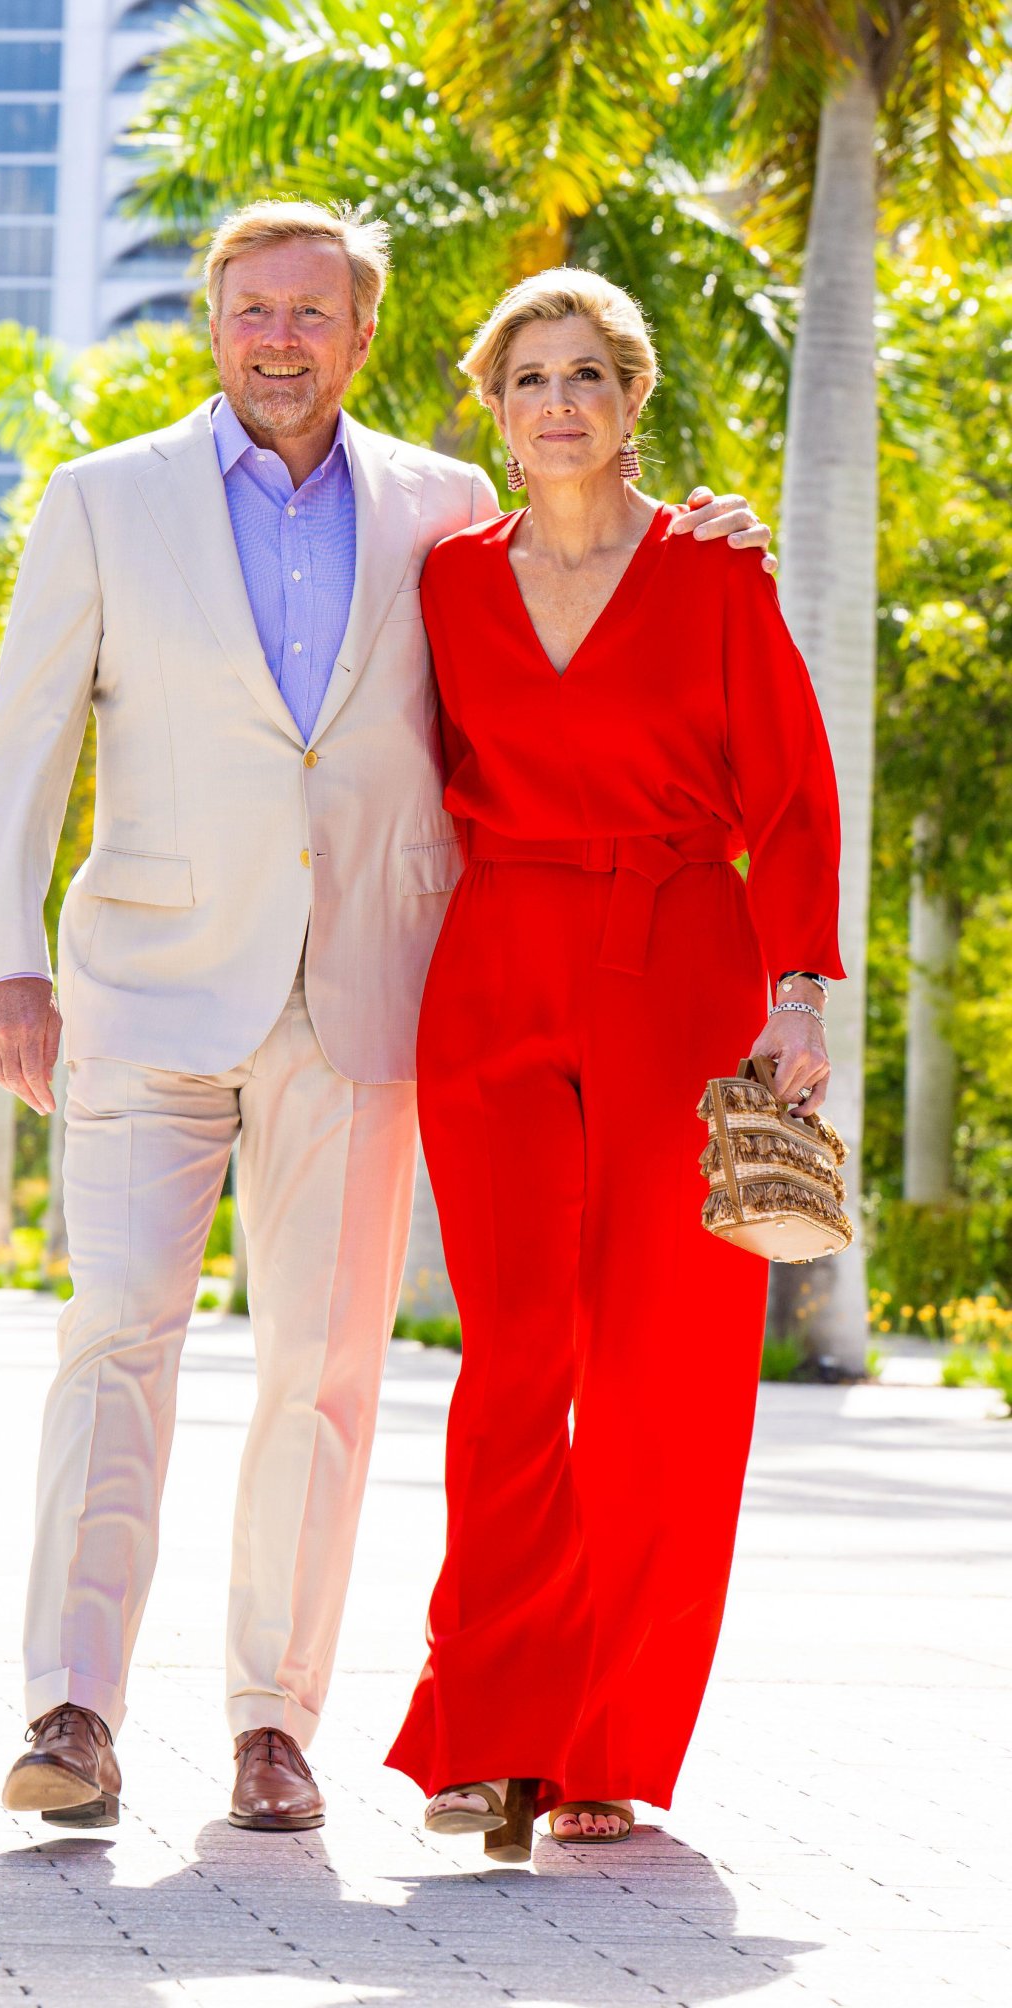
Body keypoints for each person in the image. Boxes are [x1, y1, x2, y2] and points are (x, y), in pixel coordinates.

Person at [0, 202, 775, 1836]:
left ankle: (275, 1724)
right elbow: (27, 734)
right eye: (252, 310)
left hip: (369, 991)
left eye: (311, 313)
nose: (280, 340)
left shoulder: (443, 505)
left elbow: (571, 589)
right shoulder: (105, 499)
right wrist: (6, 965)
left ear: (363, 334)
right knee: (115, 1336)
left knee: (325, 1370)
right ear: (213, 324)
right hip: (148, 983)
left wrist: (707, 531)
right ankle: (71, 1707)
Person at [385, 268, 845, 1859]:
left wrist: (797, 996)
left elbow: (790, 786)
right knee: (514, 1365)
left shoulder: (711, 567)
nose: (559, 403)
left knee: (663, 1374)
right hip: (497, 970)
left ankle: (607, 1744)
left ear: (635, 396)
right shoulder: (449, 580)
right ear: (494, 410)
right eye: (528, 379)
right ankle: (484, 1732)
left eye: (587, 373)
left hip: (679, 967)